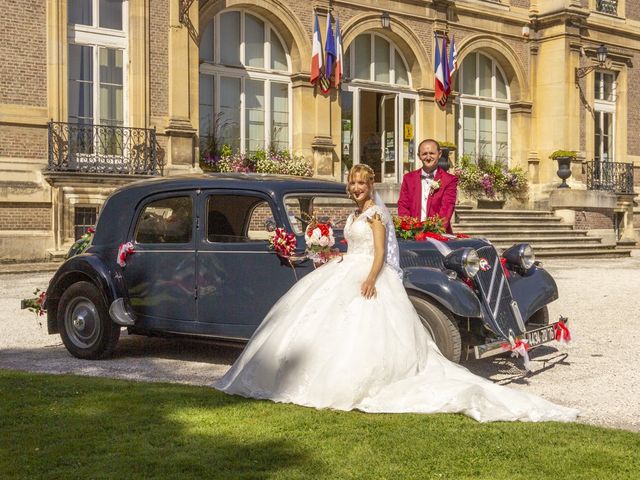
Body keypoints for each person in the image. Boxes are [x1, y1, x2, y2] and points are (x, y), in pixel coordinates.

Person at [214, 164, 578, 423]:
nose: (356, 188)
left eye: (361, 183)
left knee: (361, 329)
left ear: (370, 185)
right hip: (349, 267)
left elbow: (378, 251)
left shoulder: (373, 213)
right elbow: (356, 247)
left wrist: (371, 278)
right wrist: (333, 253)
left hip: (367, 274)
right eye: (352, 183)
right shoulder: (357, 213)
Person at [398, 139, 458, 233]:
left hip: (438, 235)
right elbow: (403, 205)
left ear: (439, 154)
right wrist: (408, 228)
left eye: (432, 153)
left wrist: (436, 230)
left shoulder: (449, 180)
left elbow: (447, 208)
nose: (428, 157)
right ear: (419, 156)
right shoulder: (408, 178)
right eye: (424, 154)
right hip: (412, 234)